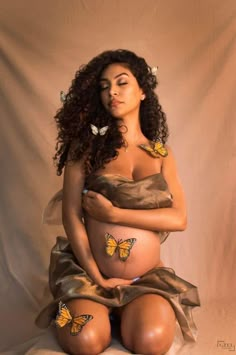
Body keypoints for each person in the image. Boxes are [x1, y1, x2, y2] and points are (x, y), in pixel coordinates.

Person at [36, 49, 200, 355]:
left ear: (142, 92)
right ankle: (97, 310)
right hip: (90, 274)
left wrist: (115, 213)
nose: (111, 91)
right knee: (83, 339)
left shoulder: (161, 154)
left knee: (151, 341)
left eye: (122, 83)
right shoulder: (84, 150)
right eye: (103, 86)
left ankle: (128, 314)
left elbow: (179, 219)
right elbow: (72, 217)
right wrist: (98, 277)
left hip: (145, 279)